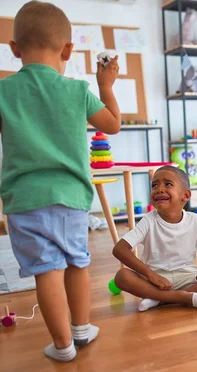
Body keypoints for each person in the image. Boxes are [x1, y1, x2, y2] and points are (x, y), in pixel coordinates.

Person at [0, 1, 121, 362]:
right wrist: (105, 84)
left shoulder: (4, 91)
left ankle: (63, 345)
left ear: (14, 49)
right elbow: (113, 124)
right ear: (68, 50)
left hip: (24, 198)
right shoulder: (77, 90)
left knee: (45, 270)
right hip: (71, 197)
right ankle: (82, 329)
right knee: (77, 262)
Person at [113, 166, 197, 313]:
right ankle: (181, 297)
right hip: (155, 280)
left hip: (187, 277)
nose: (159, 189)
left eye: (168, 184)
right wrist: (151, 275)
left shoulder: (194, 220)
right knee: (121, 276)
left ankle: (159, 298)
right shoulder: (148, 220)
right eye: (154, 185)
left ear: (186, 195)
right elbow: (119, 249)